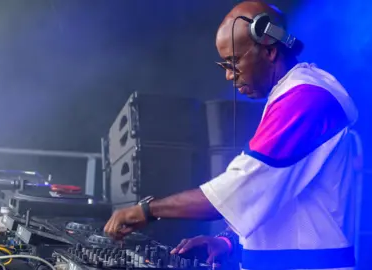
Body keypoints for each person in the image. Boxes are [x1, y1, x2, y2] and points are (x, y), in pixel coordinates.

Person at [104, 1, 359, 269]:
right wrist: (227, 240)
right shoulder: (291, 95)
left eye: (233, 62)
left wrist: (147, 210)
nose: (228, 75)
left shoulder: (306, 99)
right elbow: (275, 198)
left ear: (270, 50)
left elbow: (242, 187)